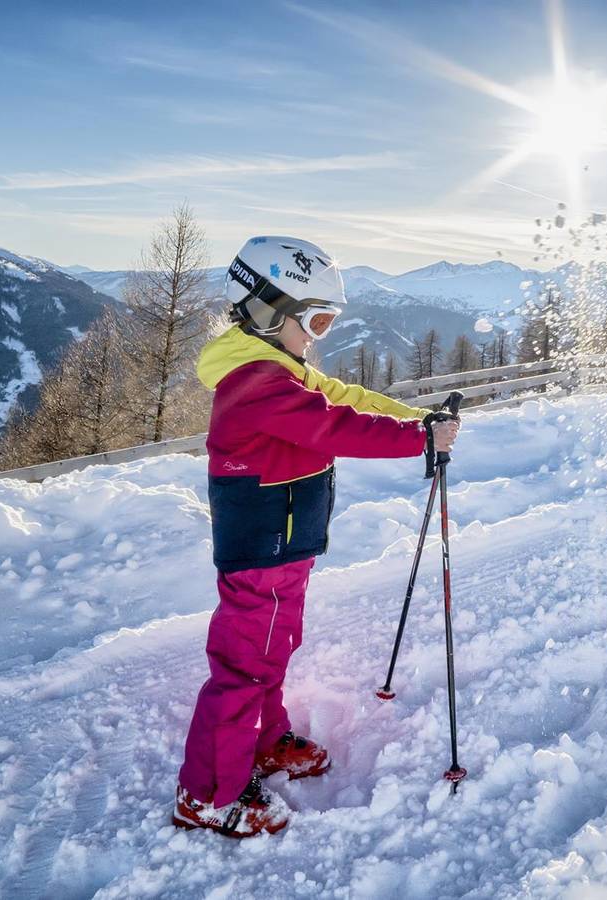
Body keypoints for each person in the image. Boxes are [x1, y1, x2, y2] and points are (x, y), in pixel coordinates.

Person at [172, 236, 460, 838]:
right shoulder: (255, 381)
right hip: (260, 549)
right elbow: (332, 425)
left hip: (285, 544)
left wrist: (416, 419)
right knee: (244, 664)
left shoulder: (280, 369)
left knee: (272, 651)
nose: (321, 335)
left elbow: (346, 399)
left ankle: (266, 738)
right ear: (269, 311)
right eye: (319, 321)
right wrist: (416, 442)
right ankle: (206, 794)